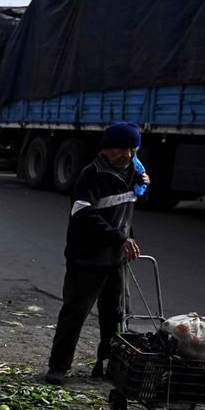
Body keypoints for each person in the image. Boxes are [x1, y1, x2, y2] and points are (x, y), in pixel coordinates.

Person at [44, 122, 149, 386]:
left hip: (117, 258)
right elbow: (82, 215)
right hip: (87, 257)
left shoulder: (132, 173)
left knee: (116, 314)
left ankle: (107, 364)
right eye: (121, 150)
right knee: (76, 312)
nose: (127, 155)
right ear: (106, 150)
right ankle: (58, 367)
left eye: (132, 149)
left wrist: (128, 238)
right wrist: (120, 238)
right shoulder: (91, 175)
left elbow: (125, 212)